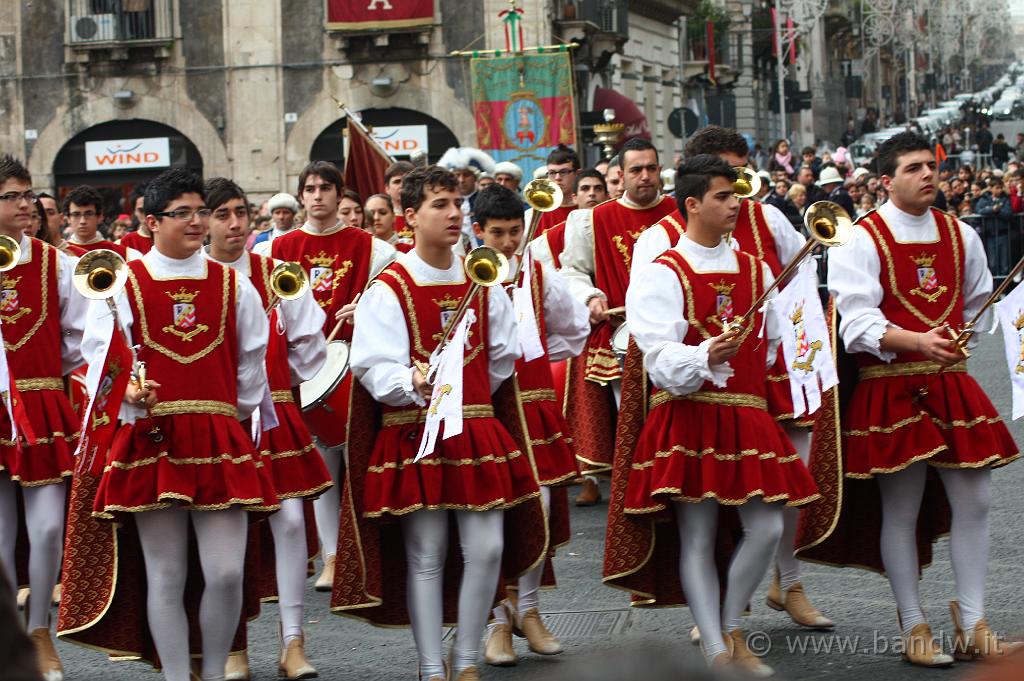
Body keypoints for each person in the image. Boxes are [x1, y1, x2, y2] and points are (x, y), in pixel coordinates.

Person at [605, 155, 818, 674]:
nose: (734, 204)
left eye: (736, 195)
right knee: (698, 535)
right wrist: (703, 357)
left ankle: (726, 625)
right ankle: (717, 649)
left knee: (767, 528)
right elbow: (656, 359)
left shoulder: (757, 268)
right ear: (693, 204)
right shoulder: (663, 272)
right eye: (723, 196)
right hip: (689, 416)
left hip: (746, 415)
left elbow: (767, 349)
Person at [814, 132, 1019, 667]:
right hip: (890, 385)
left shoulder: (962, 235)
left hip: (951, 383)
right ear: (886, 180)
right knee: (901, 509)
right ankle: (914, 624)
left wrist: (960, 338)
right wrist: (917, 340)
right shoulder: (860, 239)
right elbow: (855, 323)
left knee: (976, 501)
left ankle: (972, 621)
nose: (928, 174)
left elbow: (977, 303)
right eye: (913, 168)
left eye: (931, 165)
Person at [339, 166, 543, 681]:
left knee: (488, 548)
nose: (454, 214)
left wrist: (466, 396)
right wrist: (411, 380)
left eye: (457, 203)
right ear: (410, 216)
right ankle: (433, 667)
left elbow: (500, 360)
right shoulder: (389, 286)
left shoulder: (483, 277)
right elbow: (369, 366)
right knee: (426, 554)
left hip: (474, 429)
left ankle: (467, 658)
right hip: (413, 433)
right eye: (439, 205)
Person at [76, 167, 277, 681]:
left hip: (217, 435)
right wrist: (127, 393)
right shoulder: (123, 284)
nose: (195, 222)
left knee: (227, 572)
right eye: (182, 213)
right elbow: (98, 356)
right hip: (152, 438)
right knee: (166, 573)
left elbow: (252, 365)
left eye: (200, 212)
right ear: (151, 221)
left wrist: (232, 414)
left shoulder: (235, 285)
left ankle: (211, 671)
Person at [203, 177, 332, 680]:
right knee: (229, 539)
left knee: (293, 523)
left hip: (275, 415)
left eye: (241, 212)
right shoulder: (196, 277)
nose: (235, 224)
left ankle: (293, 641)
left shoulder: (278, 272)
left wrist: (275, 383)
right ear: (204, 221)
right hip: (220, 423)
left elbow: (310, 345)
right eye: (223, 214)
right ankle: (234, 645)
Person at [470, 184, 589, 666]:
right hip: (487, 408)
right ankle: (499, 620)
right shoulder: (467, 277)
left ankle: (531, 609)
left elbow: (573, 329)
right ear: (478, 232)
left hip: (531, 401)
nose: (507, 242)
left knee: (536, 506)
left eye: (515, 232)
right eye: (496, 233)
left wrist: (535, 355)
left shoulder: (539, 274)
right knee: (493, 513)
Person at [270, 161, 395, 592]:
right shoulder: (280, 248)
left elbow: (394, 298)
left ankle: (364, 551)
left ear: (340, 195)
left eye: (326, 188)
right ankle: (331, 555)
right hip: (306, 369)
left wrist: (368, 309)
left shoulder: (372, 248)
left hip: (355, 363)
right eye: (310, 188)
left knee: (356, 458)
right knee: (322, 462)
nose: (318, 195)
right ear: (301, 195)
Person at [0, 155, 87, 681]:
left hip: (40, 404)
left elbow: (78, 333)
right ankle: (11, 639)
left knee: (50, 525)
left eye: (28, 195)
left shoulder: (56, 263)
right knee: (1, 535)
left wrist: (43, 371)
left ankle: (40, 630)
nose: (26, 205)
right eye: (12, 196)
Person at [561, 138, 676, 505]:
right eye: (636, 170)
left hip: (675, 332)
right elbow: (573, 271)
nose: (645, 177)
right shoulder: (591, 220)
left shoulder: (680, 211)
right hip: (620, 334)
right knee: (631, 415)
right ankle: (636, 487)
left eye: (651, 168)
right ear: (621, 176)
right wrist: (591, 296)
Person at [529, 169, 608, 271]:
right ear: (574, 197)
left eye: (598, 189)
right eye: (585, 188)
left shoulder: (614, 229)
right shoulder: (553, 237)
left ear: (607, 196)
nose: (592, 193)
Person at [63, 185, 141, 260]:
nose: (82, 221)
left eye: (89, 214)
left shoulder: (126, 255)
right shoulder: (60, 255)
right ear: (68, 218)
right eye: (76, 215)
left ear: (100, 216)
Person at [527, 145, 580, 235]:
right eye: (552, 173)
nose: (557, 178)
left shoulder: (587, 208)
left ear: (577, 174)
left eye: (563, 172)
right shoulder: (535, 214)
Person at [252, 192, 300, 256]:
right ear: (272, 215)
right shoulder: (263, 238)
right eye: (277, 213)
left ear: (293, 214)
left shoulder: (301, 236)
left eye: (286, 213)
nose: (281, 217)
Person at [120, 182, 154, 254]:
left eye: (150, 209)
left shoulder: (170, 238)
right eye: (141, 211)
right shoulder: (127, 241)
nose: (146, 215)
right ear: (135, 212)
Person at [385, 161, 415, 242]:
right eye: (397, 181)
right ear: (387, 188)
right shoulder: (381, 218)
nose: (402, 185)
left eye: (407, 181)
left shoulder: (424, 215)